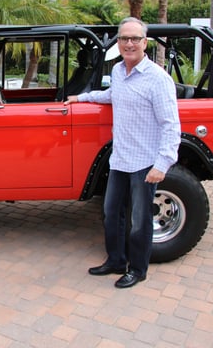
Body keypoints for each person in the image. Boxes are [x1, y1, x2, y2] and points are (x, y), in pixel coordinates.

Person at [64, 17, 181, 288]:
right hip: (120, 159)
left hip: (144, 162)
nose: (129, 43)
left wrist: (162, 164)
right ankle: (116, 260)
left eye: (135, 39)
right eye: (124, 38)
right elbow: (112, 95)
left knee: (139, 221)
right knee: (111, 212)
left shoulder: (158, 79)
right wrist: (82, 98)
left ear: (145, 43)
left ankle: (138, 270)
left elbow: (171, 125)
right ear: (118, 43)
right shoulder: (118, 71)